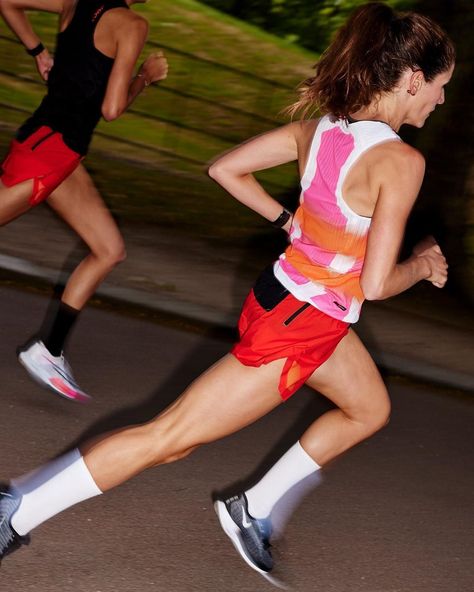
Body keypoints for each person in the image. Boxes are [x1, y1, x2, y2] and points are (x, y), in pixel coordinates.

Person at [0, 1, 454, 580]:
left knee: (369, 409)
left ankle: (253, 509)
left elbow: (224, 170)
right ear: (413, 78)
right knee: (168, 439)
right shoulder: (400, 161)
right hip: (299, 327)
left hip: (291, 301)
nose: (439, 100)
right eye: (439, 87)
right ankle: (15, 513)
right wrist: (422, 264)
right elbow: (377, 282)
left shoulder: (319, 129)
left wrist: (289, 223)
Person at [0, 0, 168, 402]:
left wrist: (39, 53)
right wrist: (145, 77)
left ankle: (49, 350)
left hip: (57, 149)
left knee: (108, 250)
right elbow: (111, 109)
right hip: (49, 154)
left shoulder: (74, 2)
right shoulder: (131, 24)